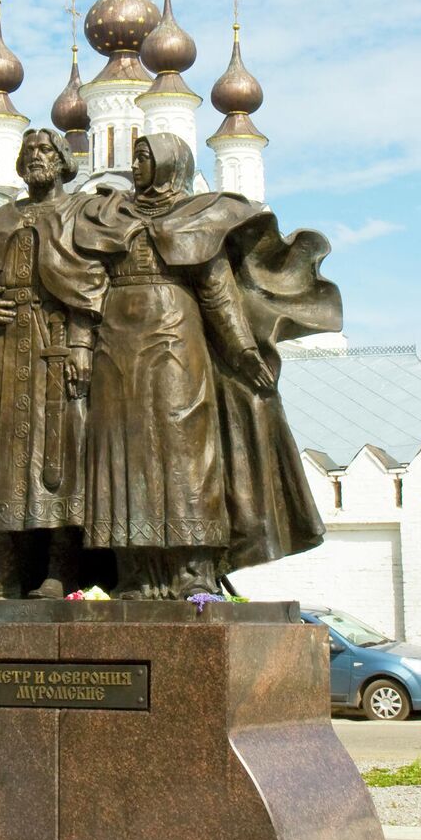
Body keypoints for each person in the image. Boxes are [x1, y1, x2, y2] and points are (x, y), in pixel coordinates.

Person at [73, 133, 338, 597]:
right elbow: (83, 287)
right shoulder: (108, 216)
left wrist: (242, 350)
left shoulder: (199, 218)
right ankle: (135, 571)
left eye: (145, 158)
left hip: (176, 346)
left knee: (185, 451)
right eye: (135, 158)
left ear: (172, 164)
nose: (136, 167)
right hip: (114, 350)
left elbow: (218, 292)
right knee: (119, 452)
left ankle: (191, 568)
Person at [0, 129, 104, 599]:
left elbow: (94, 282)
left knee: (62, 461)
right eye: (29, 151)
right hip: (4, 350)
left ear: (63, 161)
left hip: (57, 349)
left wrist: (81, 343)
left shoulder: (82, 213)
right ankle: (4, 572)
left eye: (45, 151)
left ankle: (62, 572)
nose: (35, 158)